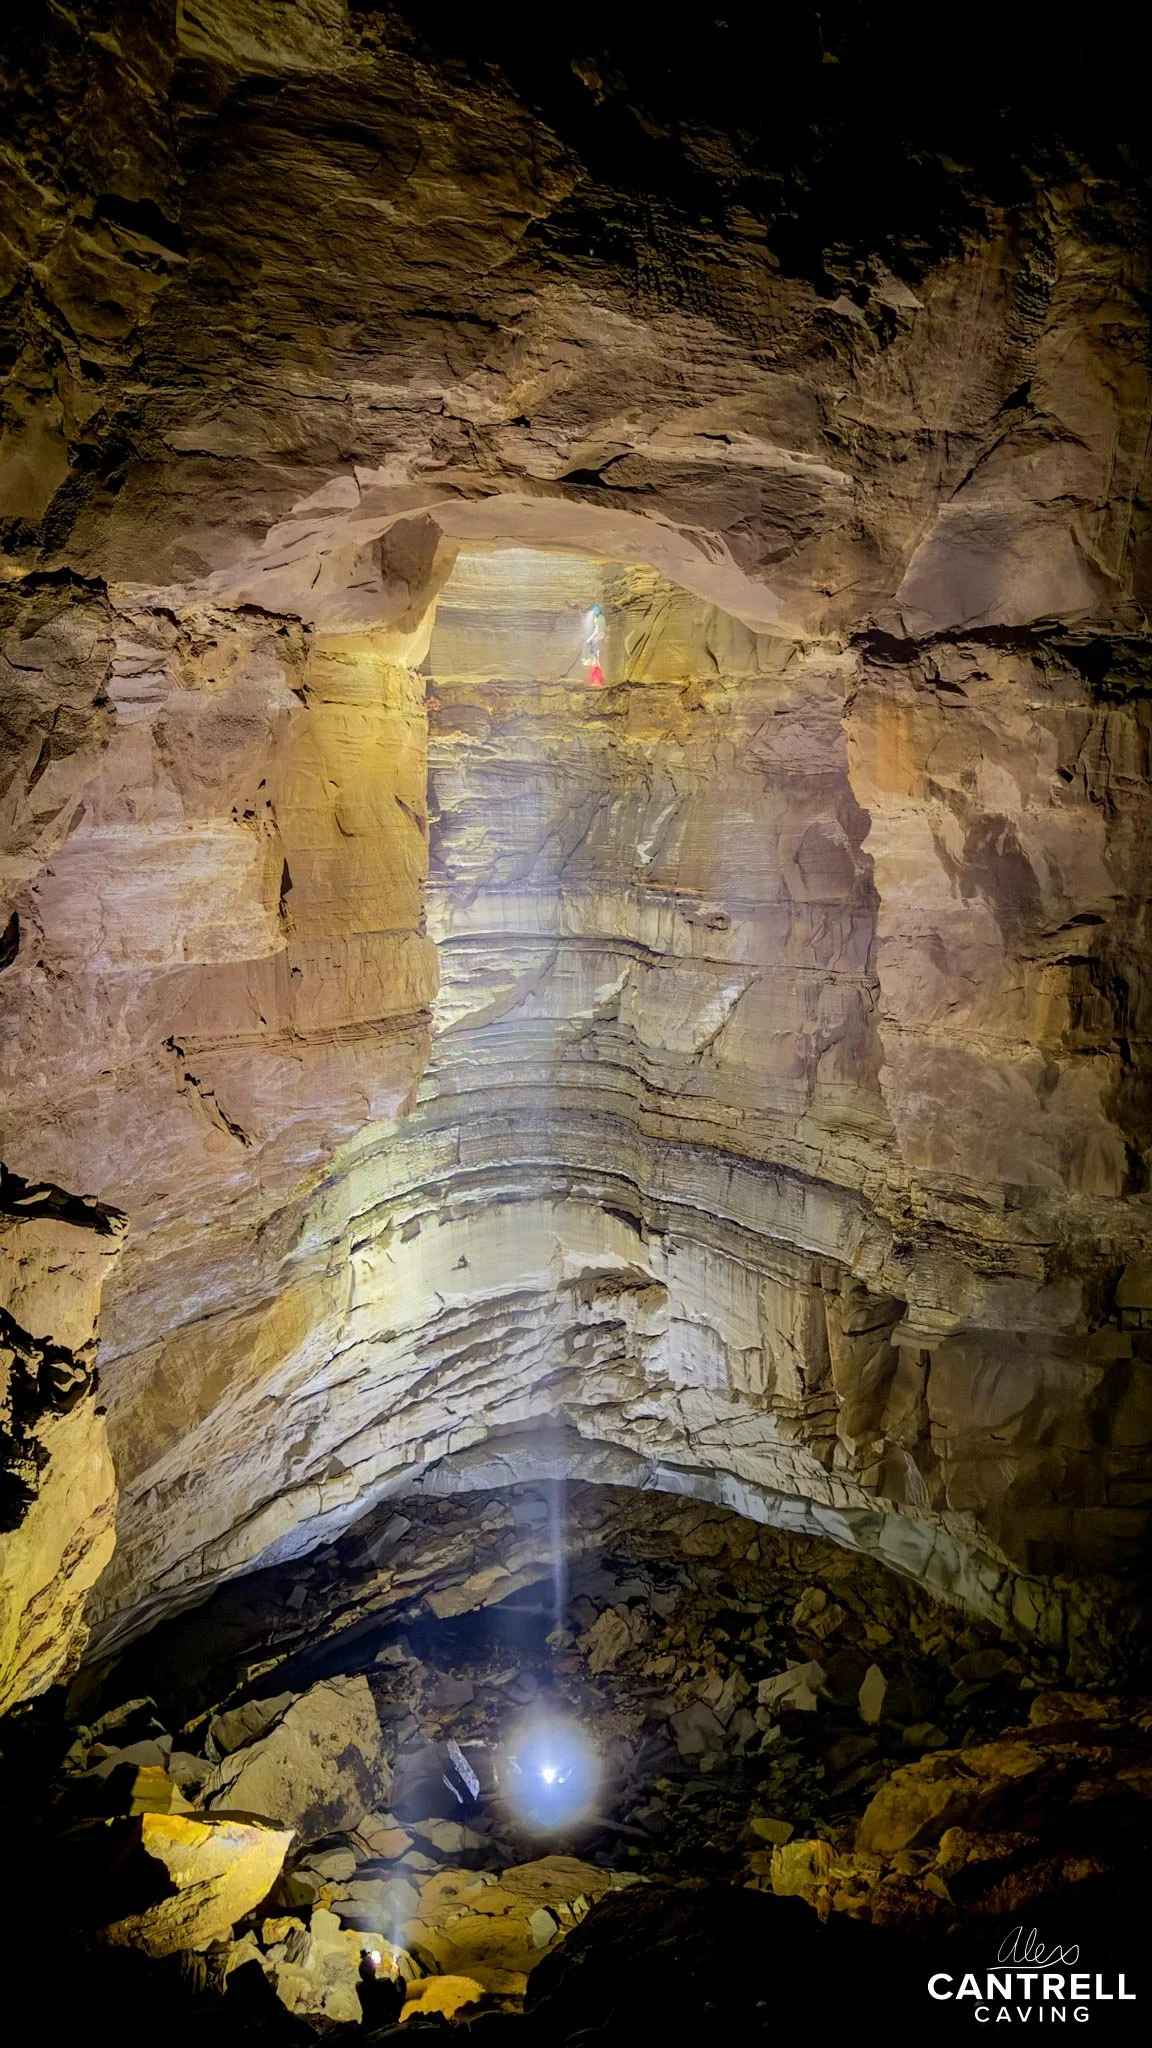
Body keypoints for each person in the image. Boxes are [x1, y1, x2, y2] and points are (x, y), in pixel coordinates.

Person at [357, 1948, 404, 2028]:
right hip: (387, 2021)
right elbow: (396, 1999)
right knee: (401, 1982)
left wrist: (365, 1959)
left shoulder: (359, 1986)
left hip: (368, 2023)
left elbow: (367, 1975)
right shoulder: (385, 1982)